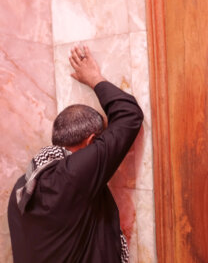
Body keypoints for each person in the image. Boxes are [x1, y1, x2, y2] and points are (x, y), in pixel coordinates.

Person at [7, 45, 144, 263]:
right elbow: (129, 115)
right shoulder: (73, 176)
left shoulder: (23, 186)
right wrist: (95, 79)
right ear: (91, 141)